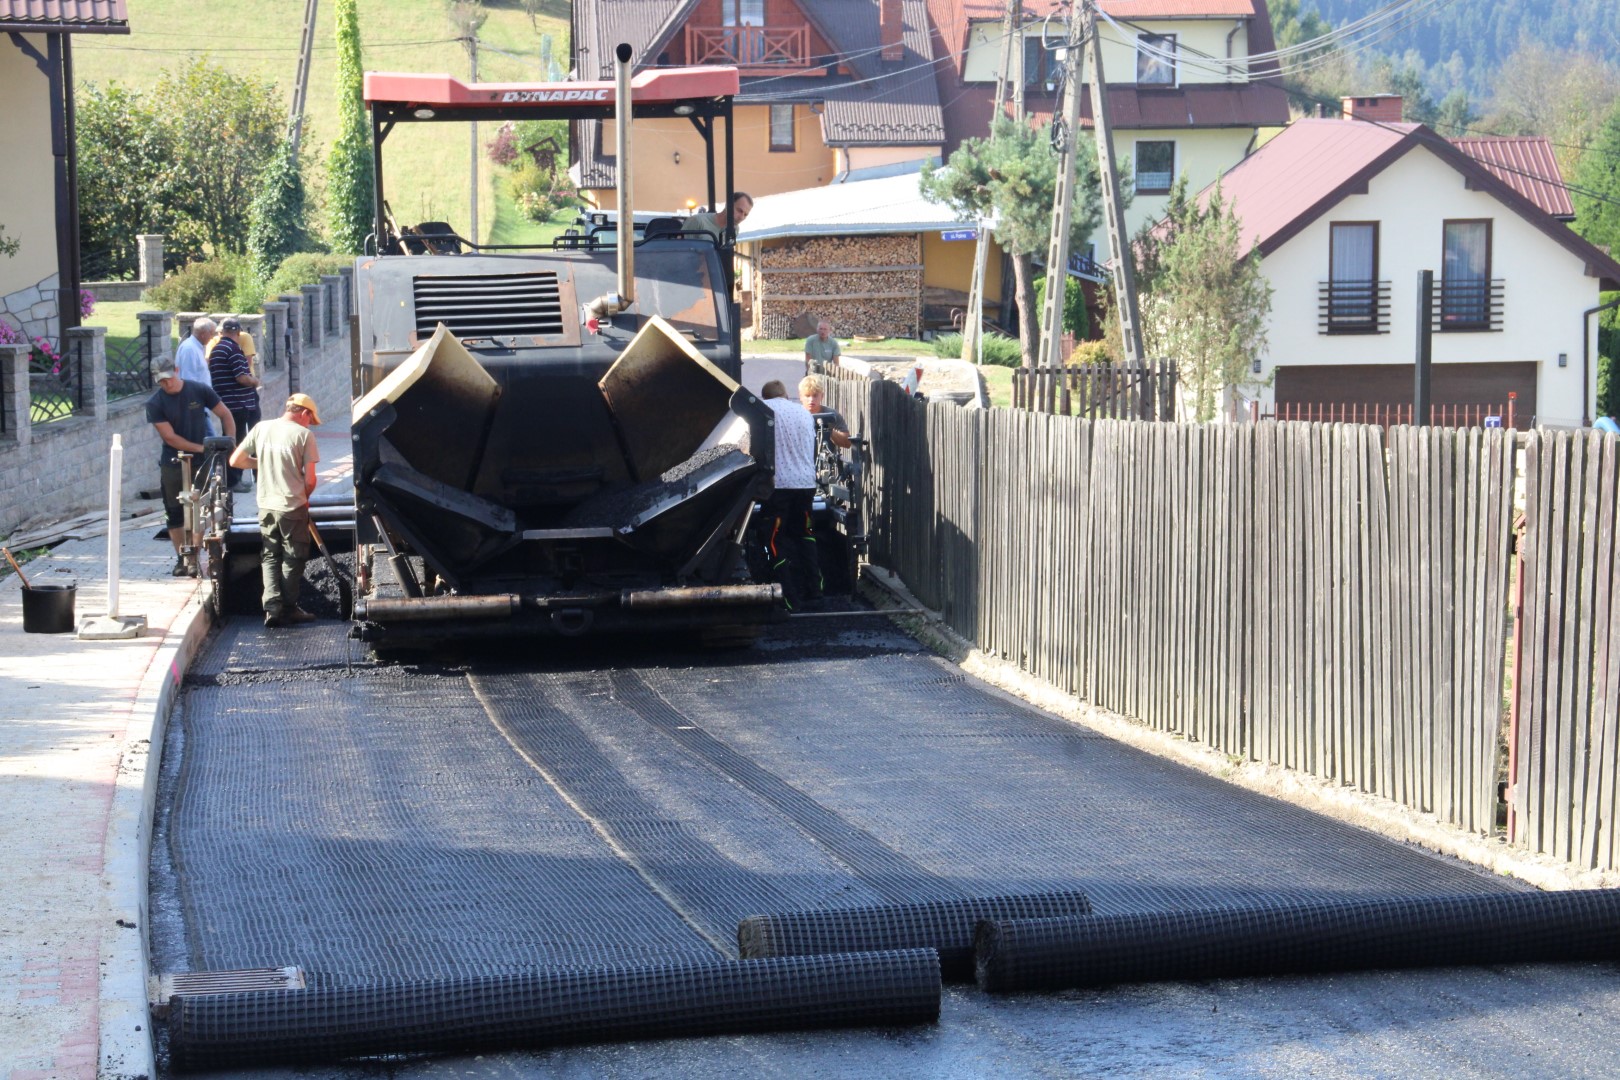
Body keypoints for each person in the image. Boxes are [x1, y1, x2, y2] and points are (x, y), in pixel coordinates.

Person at [230, 393, 322, 628]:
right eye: (311, 419)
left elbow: (236, 460)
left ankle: (271, 608)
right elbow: (310, 480)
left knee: (270, 555)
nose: (310, 424)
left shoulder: (262, 428)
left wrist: (262, 461)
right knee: (294, 556)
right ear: (304, 413)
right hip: (292, 506)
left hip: (266, 506)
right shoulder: (304, 435)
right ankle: (288, 609)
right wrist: (306, 498)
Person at [145, 363, 236, 577]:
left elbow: (225, 414)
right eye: (161, 381)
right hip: (173, 461)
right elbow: (170, 437)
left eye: (168, 378)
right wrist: (201, 448)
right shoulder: (155, 403)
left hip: (201, 462)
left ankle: (194, 557)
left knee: (199, 508)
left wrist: (229, 442)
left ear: (177, 370)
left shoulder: (198, 390)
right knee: (174, 511)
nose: (166, 383)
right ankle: (182, 558)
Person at [751, 379, 822, 611]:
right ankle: (815, 592)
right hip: (805, 484)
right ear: (786, 394)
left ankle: (788, 598)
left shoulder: (764, 412)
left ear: (765, 397)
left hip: (779, 488)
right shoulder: (804, 414)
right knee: (806, 535)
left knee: (773, 539)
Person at [208, 317, 262, 493]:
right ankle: (234, 481)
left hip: (228, 402)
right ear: (238, 333)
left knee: (234, 440)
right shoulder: (232, 350)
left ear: (221, 332)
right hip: (238, 404)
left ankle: (234, 479)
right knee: (238, 441)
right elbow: (241, 377)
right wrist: (254, 381)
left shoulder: (217, 349)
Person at [176, 317, 217, 434]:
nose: (212, 337)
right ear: (204, 334)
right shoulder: (189, 349)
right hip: (195, 407)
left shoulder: (197, 348)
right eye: (211, 333)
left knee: (208, 443)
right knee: (212, 443)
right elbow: (188, 380)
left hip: (200, 405)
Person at [799, 373, 851, 450]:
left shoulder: (831, 415)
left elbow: (847, 443)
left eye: (815, 395)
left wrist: (828, 430)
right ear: (800, 396)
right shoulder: (795, 415)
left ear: (822, 396)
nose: (811, 400)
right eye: (807, 395)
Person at [682, 191, 752, 243]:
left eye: (745, 215)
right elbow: (680, 250)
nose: (741, 217)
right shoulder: (697, 221)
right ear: (728, 205)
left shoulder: (734, 229)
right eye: (739, 211)